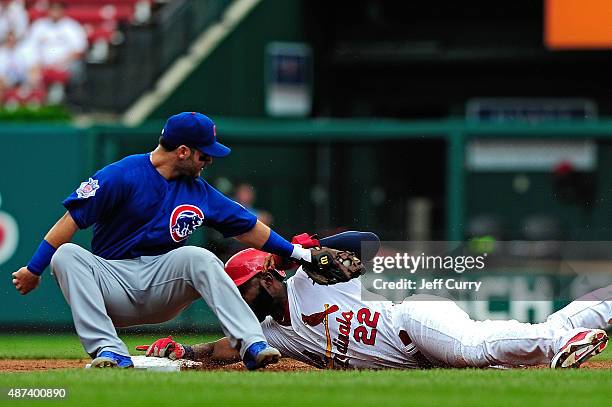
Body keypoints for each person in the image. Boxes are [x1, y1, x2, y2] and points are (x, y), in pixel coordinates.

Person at [12, 112, 321, 370]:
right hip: (113, 282)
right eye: (204, 154)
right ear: (183, 151)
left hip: (162, 285)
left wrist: (299, 254)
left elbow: (250, 228)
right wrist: (34, 269)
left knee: (198, 257)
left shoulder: (198, 190)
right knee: (66, 254)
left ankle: (252, 344)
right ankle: (110, 351)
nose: (209, 161)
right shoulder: (121, 175)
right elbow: (68, 223)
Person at [140, 241, 611, 370]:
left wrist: (307, 250)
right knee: (491, 363)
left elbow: (365, 243)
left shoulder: (309, 274)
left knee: (476, 348)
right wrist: (187, 353)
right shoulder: (272, 336)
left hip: (412, 321)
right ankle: (601, 308)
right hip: (418, 360)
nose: (236, 300)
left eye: (240, 287)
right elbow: (227, 349)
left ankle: (559, 346)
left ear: (265, 276)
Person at [24, 0, 87, 101]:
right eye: (52, 8)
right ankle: (32, 101)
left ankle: (65, 101)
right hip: (41, 65)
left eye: (58, 8)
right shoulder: (39, 25)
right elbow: (29, 48)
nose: (55, 11)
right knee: (28, 69)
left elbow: (79, 50)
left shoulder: (72, 26)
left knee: (75, 68)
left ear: (63, 10)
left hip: (65, 64)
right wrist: (36, 63)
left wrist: (60, 63)